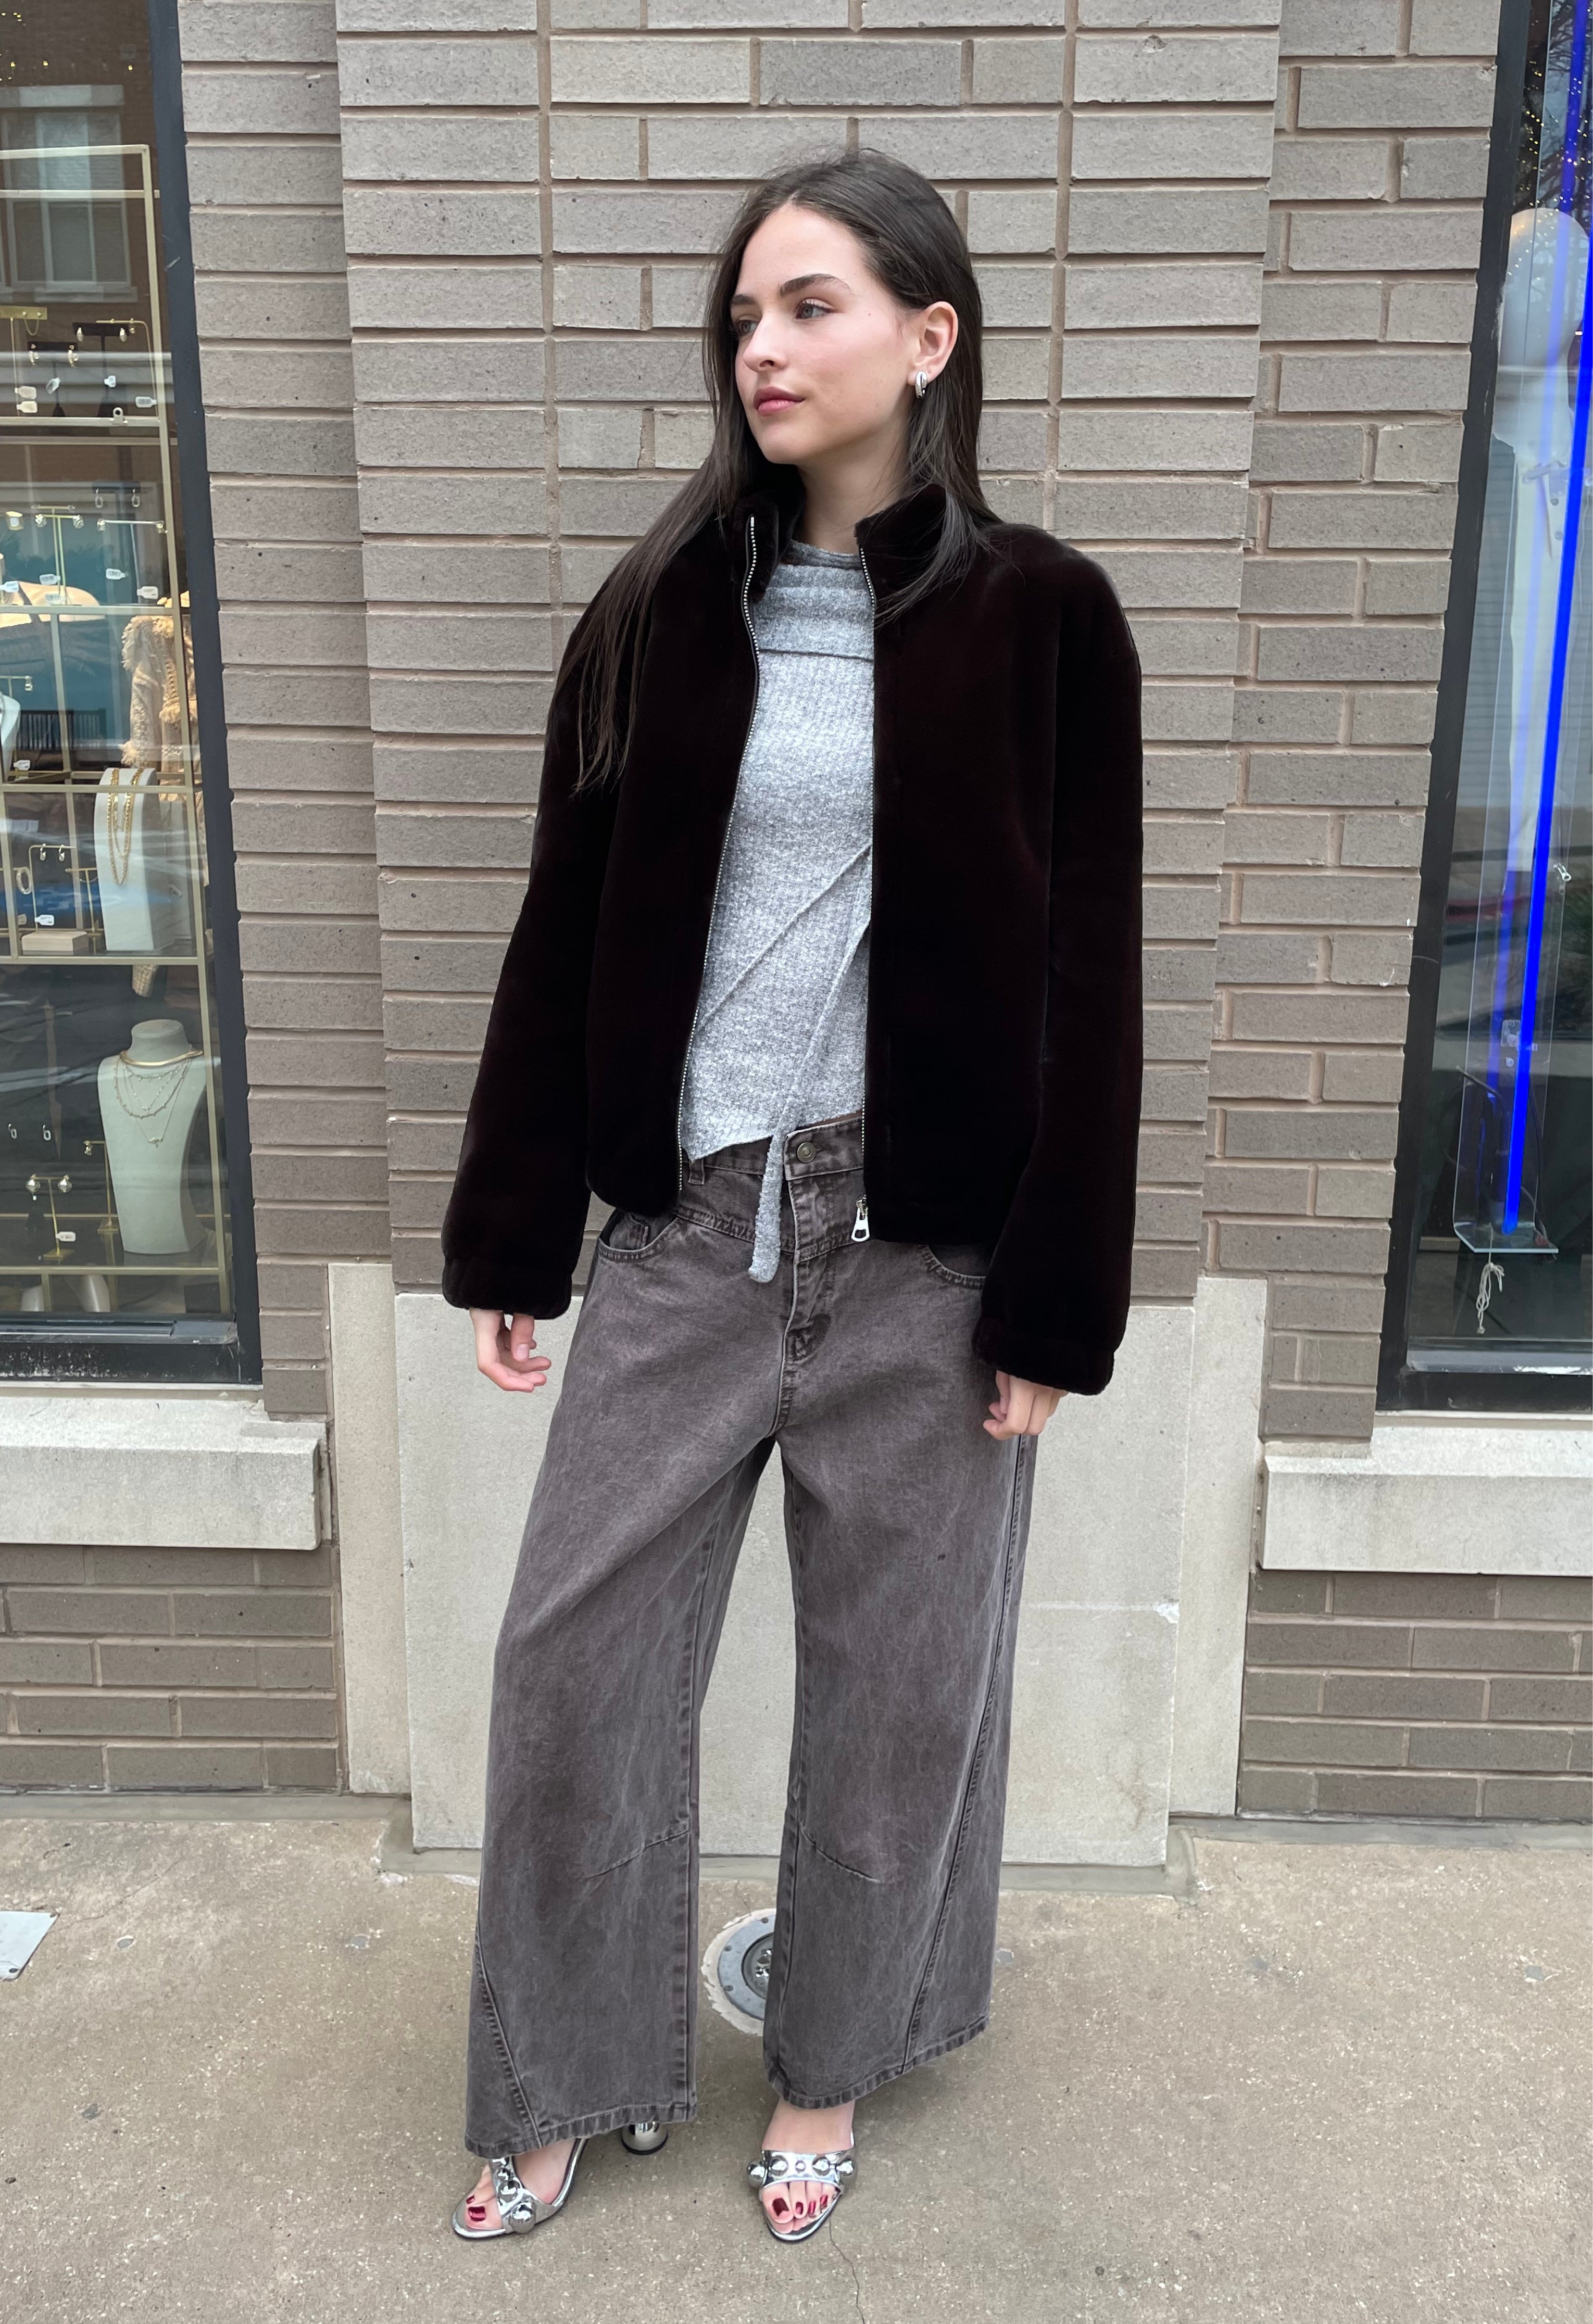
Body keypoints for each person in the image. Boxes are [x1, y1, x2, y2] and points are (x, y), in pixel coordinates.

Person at [438, 148, 1144, 2249]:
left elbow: (1088, 974)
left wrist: (1052, 1302)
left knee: (898, 1701)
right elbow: (562, 924)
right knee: (568, 1671)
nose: (764, 347)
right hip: (688, 1233)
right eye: (745, 313)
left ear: (929, 337)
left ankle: (826, 2067)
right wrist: (513, 1230)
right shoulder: (662, 608)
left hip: (923, 1255)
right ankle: (563, 2073)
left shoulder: (1044, 619)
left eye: (811, 306)